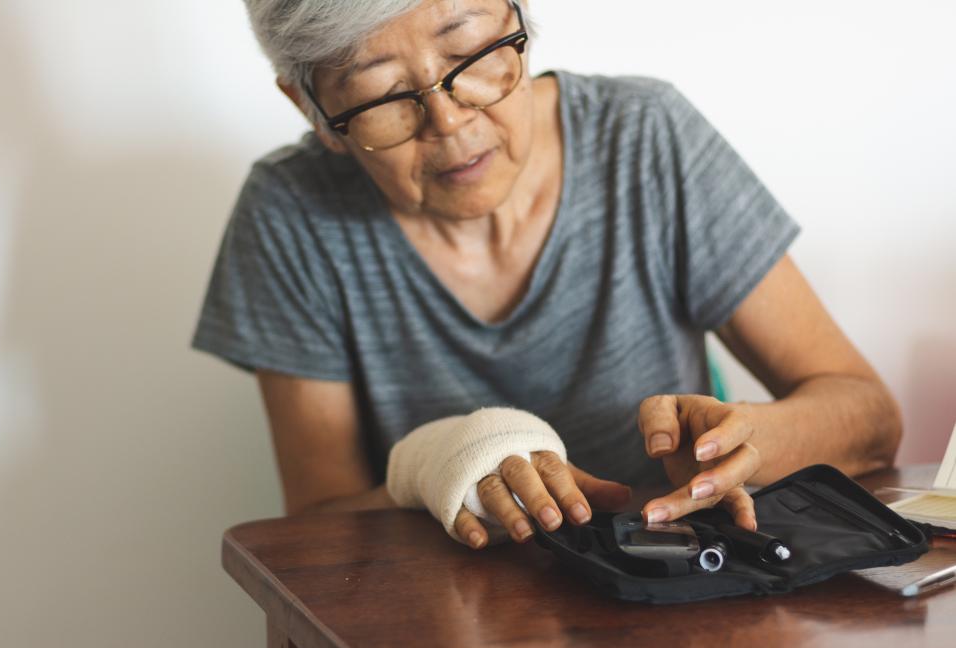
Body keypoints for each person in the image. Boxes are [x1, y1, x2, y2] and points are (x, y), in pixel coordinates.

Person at [193, 0, 901, 549]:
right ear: (311, 109)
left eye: (472, 55)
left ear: (521, 21)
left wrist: (742, 444)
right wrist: (442, 463)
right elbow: (315, 530)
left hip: (678, 604)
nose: (447, 121)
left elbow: (870, 416)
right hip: (440, 636)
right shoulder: (292, 214)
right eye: (381, 97)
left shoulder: (646, 139)